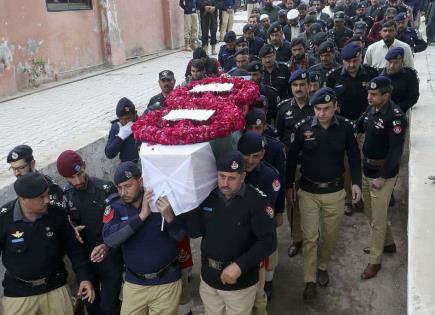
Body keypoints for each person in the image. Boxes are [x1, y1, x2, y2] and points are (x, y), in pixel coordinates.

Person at [286, 87, 362, 301]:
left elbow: (354, 157)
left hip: (335, 192)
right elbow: (291, 159)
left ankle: (323, 265)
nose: (322, 113)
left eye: (326, 108)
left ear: (335, 106)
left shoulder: (346, 128)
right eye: (318, 109)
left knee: (330, 236)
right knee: (310, 238)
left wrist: (356, 183)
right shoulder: (302, 128)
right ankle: (309, 279)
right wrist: (289, 186)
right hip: (308, 191)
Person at [181, 150, 277, 315]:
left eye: (231, 178)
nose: (225, 182)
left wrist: (239, 266)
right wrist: (190, 204)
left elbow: (269, 241)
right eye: (221, 176)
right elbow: (196, 232)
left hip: (240, 284)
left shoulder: (256, 201)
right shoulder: (208, 197)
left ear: (243, 177)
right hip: (209, 279)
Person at [0, 172, 95, 315]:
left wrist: (84, 278)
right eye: (41, 197)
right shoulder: (4, 219)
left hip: (55, 287)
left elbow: (74, 248)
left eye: (47, 194)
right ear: (24, 199)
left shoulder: (57, 214)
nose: (47, 200)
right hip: (18, 293)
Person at [103, 162, 185, 314]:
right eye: (119, 187)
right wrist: (141, 217)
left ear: (140, 182)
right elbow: (110, 239)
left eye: (128, 186)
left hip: (166, 283)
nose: (123, 192)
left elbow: (180, 236)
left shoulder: (161, 201)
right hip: (135, 284)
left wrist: (170, 217)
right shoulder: (116, 207)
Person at [57, 150, 123, 315]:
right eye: (72, 178)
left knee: (109, 307)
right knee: (92, 307)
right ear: (64, 177)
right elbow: (63, 227)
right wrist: (71, 228)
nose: (78, 181)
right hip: (84, 262)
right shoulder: (65, 197)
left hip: (110, 257)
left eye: (80, 174)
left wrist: (107, 244)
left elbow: (121, 223)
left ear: (84, 166)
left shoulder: (106, 189)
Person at [356, 76, 407, 279]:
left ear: (387, 95)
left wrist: (383, 177)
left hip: (382, 175)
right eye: (369, 93)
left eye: (374, 94)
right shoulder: (372, 108)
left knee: (377, 220)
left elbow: (396, 152)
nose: (369, 97)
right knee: (371, 213)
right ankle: (388, 243)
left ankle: (374, 261)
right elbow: (359, 125)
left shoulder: (395, 117)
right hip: (367, 168)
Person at [325, 43, 378, 215]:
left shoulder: (371, 74)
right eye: (348, 62)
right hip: (343, 128)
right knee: (346, 164)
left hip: (366, 127)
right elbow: (327, 102)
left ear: (361, 58)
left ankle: (363, 196)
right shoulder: (333, 77)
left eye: (355, 61)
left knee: (364, 161)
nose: (351, 65)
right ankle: (349, 199)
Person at [237, 131, 281, 307]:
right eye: (245, 156)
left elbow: (265, 214)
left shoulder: (270, 177)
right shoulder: (231, 173)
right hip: (236, 236)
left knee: (258, 287)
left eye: (255, 156)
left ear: (262, 154)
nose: (249, 160)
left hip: (256, 236)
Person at [276, 70, 314, 257]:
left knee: (313, 202)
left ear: (309, 86)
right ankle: (297, 238)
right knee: (292, 202)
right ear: (291, 87)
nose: (299, 88)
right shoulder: (283, 109)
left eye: (302, 84)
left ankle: (312, 237)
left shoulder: (316, 106)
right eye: (295, 85)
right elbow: (280, 134)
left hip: (313, 163)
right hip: (291, 164)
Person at [380, 47, 419, 112]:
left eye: (396, 63)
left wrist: (395, 110)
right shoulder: (380, 75)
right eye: (389, 62)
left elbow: (413, 97)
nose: (391, 66)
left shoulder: (409, 75)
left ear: (402, 62)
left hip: (400, 112)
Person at [105, 97, 140, 163]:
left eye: (127, 118)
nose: (124, 122)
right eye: (121, 119)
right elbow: (109, 154)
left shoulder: (144, 122)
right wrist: (120, 137)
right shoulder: (117, 127)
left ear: (135, 113)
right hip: (128, 166)